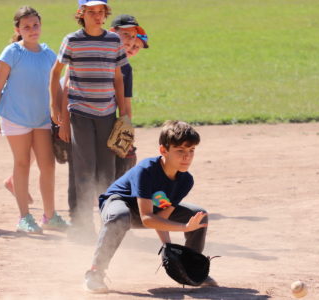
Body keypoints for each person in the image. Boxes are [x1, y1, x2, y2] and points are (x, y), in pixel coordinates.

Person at [84, 120, 218, 293]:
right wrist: (184, 227)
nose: (187, 156)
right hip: (118, 204)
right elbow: (147, 218)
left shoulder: (185, 180)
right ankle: (95, 273)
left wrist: (168, 247)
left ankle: (191, 266)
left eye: (191, 150)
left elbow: (162, 216)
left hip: (148, 211)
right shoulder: (146, 171)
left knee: (199, 215)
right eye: (180, 151)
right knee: (120, 217)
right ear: (163, 150)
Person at [0, 6, 69, 234]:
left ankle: (50, 216)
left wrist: (63, 115)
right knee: (22, 164)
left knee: (48, 166)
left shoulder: (49, 55)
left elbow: (58, 87)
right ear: (18, 29)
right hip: (15, 117)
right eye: (26, 27)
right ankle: (24, 217)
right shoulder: (12, 52)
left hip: (42, 118)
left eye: (35, 25)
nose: (32, 30)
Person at [49, 0, 128, 231]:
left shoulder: (113, 40)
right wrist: (57, 110)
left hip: (107, 113)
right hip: (80, 114)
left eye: (100, 12)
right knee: (84, 168)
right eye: (91, 12)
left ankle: (109, 220)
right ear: (81, 14)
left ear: (105, 15)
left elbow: (118, 79)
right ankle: (82, 224)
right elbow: (56, 75)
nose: (96, 16)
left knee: (107, 169)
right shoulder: (72, 40)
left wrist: (124, 115)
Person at [108, 14, 150, 179]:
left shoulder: (126, 68)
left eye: (137, 47)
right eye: (132, 42)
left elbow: (125, 103)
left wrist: (127, 132)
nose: (132, 49)